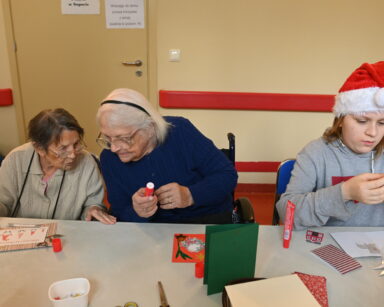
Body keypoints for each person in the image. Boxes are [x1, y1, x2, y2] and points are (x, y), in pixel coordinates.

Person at [96, 88, 238, 223]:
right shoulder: (109, 158)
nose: (114, 148)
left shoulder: (180, 131)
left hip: (207, 219)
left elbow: (227, 174)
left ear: (150, 127)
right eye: (108, 138)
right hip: (153, 231)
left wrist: (190, 195)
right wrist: (137, 211)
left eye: (124, 138)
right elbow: (119, 212)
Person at [276, 61, 384, 229]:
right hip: (326, 246)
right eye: (362, 121)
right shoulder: (316, 153)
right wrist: (345, 192)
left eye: (382, 123)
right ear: (340, 119)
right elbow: (287, 213)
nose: (373, 132)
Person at [0, 108, 116, 224]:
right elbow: (3, 203)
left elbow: (93, 203)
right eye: (63, 148)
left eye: (76, 144)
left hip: (67, 236)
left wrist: (93, 209)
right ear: (39, 148)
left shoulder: (87, 162)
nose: (72, 155)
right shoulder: (15, 160)